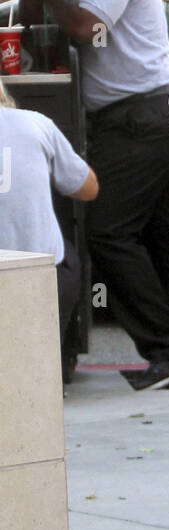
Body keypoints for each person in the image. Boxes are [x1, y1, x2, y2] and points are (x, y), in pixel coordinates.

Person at [19, 0, 169, 391]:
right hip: (140, 118)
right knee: (160, 236)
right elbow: (32, 14)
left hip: (138, 118)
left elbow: (85, 28)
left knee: (106, 228)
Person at [0, 76, 98, 355]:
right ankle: (53, 365)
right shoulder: (36, 123)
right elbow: (88, 188)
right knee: (64, 255)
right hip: (38, 273)